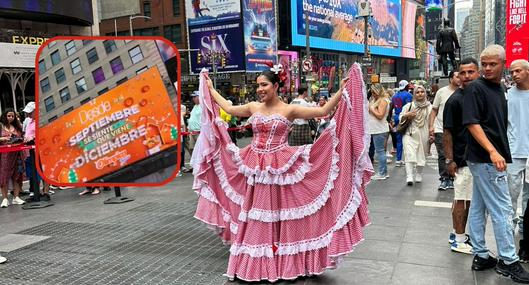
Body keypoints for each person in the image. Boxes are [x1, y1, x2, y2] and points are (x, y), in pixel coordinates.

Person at [191, 64, 372, 282]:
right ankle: (259, 263)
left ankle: (285, 262)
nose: (260, 89)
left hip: (281, 165)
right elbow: (229, 109)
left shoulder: (289, 109)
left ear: (276, 86)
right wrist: (210, 89)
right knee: (259, 213)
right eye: (258, 85)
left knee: (281, 213)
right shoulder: (253, 107)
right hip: (256, 167)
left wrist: (341, 91)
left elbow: (322, 112)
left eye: (264, 85)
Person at [463, 45, 529, 282]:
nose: (488, 68)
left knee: (480, 206)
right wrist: (492, 151)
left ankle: (481, 254)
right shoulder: (475, 89)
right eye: (484, 64)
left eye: (493, 64)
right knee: (503, 209)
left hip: (491, 158)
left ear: (503, 64)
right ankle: (509, 260)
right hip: (486, 159)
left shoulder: (499, 87)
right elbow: (472, 123)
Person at [443, 57, 480, 255]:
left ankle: (459, 234)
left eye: (470, 72)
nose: (466, 76)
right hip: (462, 159)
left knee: (468, 199)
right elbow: (447, 132)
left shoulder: (478, 94)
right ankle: (458, 239)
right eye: (462, 73)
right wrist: (450, 160)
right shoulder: (455, 100)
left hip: (478, 158)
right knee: (461, 199)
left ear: (478, 73)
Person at [507, 59, 529, 261]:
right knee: (511, 192)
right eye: (512, 71)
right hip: (513, 151)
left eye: (518, 71)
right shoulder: (508, 95)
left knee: (528, 195)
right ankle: (509, 224)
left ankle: (524, 225)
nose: (514, 74)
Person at [429, 71, 460, 191]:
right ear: (451, 78)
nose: (460, 78)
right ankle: (444, 179)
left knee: (455, 154)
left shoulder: (464, 92)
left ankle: (453, 177)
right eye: (457, 76)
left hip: (458, 131)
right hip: (440, 128)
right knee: (442, 155)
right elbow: (434, 110)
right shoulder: (441, 92)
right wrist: (431, 126)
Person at [399, 85, 432, 186]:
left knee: (421, 155)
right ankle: (409, 176)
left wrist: (432, 133)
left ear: (425, 93)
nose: (420, 94)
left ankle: (418, 173)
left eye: (422, 92)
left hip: (423, 133)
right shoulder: (409, 106)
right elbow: (400, 118)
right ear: (414, 94)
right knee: (409, 154)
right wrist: (406, 115)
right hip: (410, 133)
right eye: (417, 92)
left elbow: (432, 122)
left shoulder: (430, 107)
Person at [0, 108, 26, 208]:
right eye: (8, 116)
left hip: (17, 154)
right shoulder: (1, 126)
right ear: (4, 116)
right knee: (4, 176)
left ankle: (16, 197)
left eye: (12, 116)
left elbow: (22, 137)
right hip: (5, 156)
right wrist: (3, 138)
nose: (10, 118)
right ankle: (5, 198)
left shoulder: (17, 127)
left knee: (17, 175)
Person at [368, 83, 390, 180]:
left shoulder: (383, 101)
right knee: (380, 151)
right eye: (372, 92)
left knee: (380, 151)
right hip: (376, 129)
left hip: (379, 129)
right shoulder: (376, 100)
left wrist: (372, 108)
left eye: (374, 92)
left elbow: (380, 115)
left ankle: (382, 173)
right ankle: (383, 171)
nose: (373, 94)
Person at [391, 80, 413, 167]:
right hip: (406, 118)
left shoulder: (394, 95)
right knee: (408, 138)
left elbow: (391, 107)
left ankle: (398, 159)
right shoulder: (408, 95)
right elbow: (410, 107)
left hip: (396, 117)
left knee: (399, 139)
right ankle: (408, 159)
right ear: (406, 86)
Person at [186, 91, 202, 173]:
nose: (193, 98)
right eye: (193, 97)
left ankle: (200, 165)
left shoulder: (203, 106)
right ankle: (194, 164)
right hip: (192, 132)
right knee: (192, 148)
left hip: (199, 132)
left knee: (200, 149)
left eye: (195, 97)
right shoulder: (195, 106)